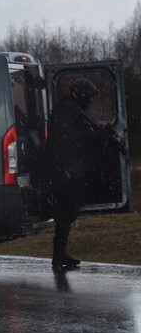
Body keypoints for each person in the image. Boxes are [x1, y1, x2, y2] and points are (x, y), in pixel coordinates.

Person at [43, 78, 120, 271]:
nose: (90, 102)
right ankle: (58, 256)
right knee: (65, 210)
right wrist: (95, 136)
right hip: (63, 169)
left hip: (67, 167)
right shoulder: (67, 110)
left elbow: (81, 133)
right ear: (80, 94)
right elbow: (71, 138)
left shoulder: (72, 109)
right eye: (88, 97)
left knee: (68, 210)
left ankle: (59, 255)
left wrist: (101, 133)